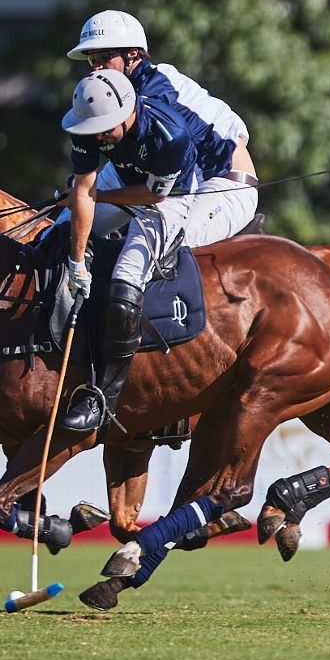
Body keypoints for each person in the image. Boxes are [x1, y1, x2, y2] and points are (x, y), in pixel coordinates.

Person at [58, 68, 237, 433]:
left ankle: (102, 398)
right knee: (53, 241)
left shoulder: (170, 135)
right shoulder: (89, 126)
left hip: (169, 198)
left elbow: (153, 196)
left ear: (128, 113)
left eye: (106, 129)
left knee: (125, 283)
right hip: (121, 183)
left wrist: (100, 197)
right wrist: (76, 262)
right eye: (94, 131)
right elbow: (83, 192)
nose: (99, 138)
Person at [66, 9, 259, 245]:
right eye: (92, 60)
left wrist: (99, 196)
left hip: (220, 184)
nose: (96, 68)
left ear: (132, 53)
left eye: (104, 57)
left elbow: (159, 188)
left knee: (163, 250)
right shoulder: (113, 94)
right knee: (62, 232)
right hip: (150, 176)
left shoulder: (157, 91)